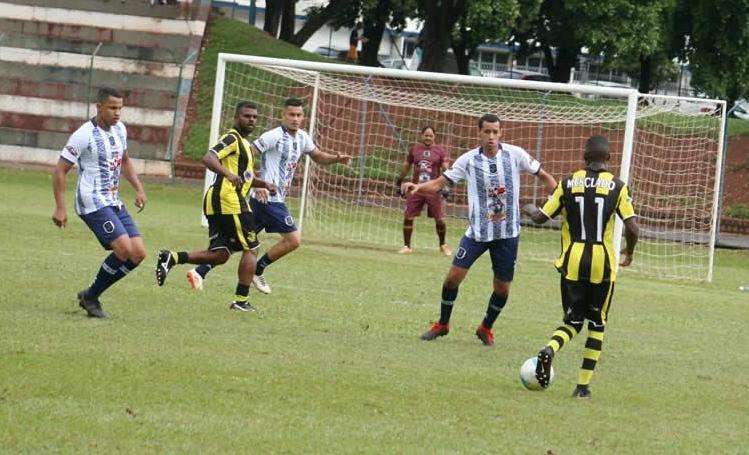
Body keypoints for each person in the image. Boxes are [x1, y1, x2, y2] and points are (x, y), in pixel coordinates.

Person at [403, 113, 557, 346]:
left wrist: (555, 202)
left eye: (495, 132)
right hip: (477, 233)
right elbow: (439, 184)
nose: (491, 136)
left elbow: (545, 177)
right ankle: (442, 324)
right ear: (479, 133)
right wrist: (418, 187)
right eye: (487, 131)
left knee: (503, 288)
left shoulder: (516, 155)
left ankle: (486, 327)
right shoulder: (467, 160)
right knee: (452, 278)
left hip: (507, 235)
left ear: (500, 133)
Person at [189, 97, 352, 295]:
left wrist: (336, 159)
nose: (295, 118)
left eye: (299, 115)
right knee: (293, 239)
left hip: (270, 198)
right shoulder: (273, 136)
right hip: (267, 198)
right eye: (291, 114)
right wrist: (256, 184)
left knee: (241, 241)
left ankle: (200, 271)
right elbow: (246, 156)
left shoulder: (302, 137)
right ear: (283, 115)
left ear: (304, 118)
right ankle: (258, 269)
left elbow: (318, 156)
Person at [522, 135, 639, 398]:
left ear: (584, 157)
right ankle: (582, 387)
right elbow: (632, 226)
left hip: (572, 260)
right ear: (608, 159)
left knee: (574, 319)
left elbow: (541, 218)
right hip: (603, 263)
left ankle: (550, 349)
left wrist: (529, 207)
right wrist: (629, 253)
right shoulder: (618, 186)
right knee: (597, 323)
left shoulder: (567, 182)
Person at [155, 102, 277, 312]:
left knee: (221, 254)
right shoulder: (231, 138)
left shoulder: (246, 147)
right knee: (252, 248)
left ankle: (173, 257)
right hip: (229, 200)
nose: (251, 120)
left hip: (219, 201)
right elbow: (209, 157)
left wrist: (263, 184)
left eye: (255, 117)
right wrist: (227, 174)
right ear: (236, 117)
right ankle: (240, 301)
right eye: (247, 116)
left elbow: (245, 177)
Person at [52, 87, 147, 319]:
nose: (117, 113)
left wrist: (138, 189)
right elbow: (60, 170)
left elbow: (124, 161)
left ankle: (90, 294)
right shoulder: (83, 134)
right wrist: (60, 207)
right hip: (91, 201)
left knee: (138, 254)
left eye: (120, 109)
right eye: (112, 108)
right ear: (99, 107)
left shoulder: (120, 130)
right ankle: (92, 298)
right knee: (123, 249)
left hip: (113, 199)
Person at [395, 126, 451, 255]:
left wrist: (446, 185)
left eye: (430, 135)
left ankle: (443, 244)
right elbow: (406, 166)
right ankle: (407, 246)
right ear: (421, 135)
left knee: (440, 219)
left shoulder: (440, 151)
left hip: (433, 190)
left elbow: (446, 170)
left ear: (434, 137)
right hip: (416, 189)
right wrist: (399, 180)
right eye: (426, 135)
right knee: (408, 216)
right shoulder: (414, 149)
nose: (428, 137)